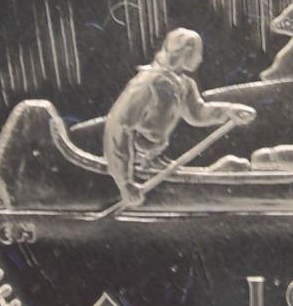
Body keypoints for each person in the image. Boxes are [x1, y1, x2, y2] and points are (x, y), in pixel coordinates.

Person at [103, 28, 254, 206]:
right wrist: (124, 182)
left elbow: (197, 112)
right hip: (135, 161)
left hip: (156, 158)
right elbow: (119, 126)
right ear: (186, 52)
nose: (200, 59)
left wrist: (229, 111)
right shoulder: (148, 82)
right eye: (198, 53)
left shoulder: (184, 83)